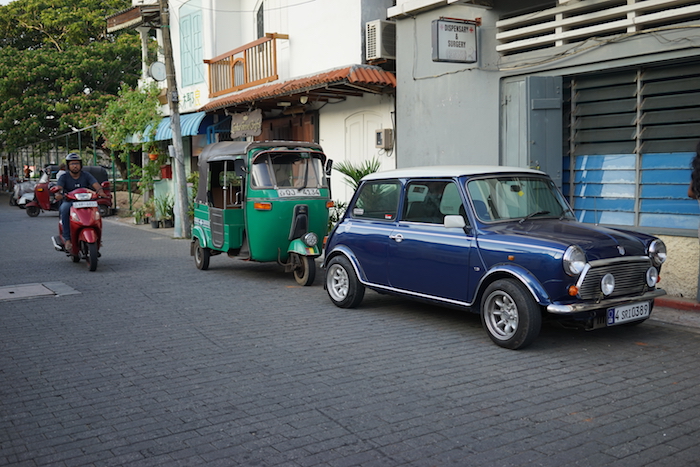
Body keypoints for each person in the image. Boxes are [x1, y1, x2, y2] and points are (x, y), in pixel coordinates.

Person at [55, 153, 106, 251]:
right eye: (72, 164)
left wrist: (101, 191)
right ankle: (67, 239)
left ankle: (98, 237)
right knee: (64, 209)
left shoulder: (86, 175)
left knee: (98, 210)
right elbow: (59, 188)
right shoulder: (64, 177)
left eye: (77, 163)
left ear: (81, 165)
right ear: (68, 166)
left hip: (87, 201)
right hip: (70, 202)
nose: (75, 166)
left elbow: (96, 184)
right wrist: (58, 193)